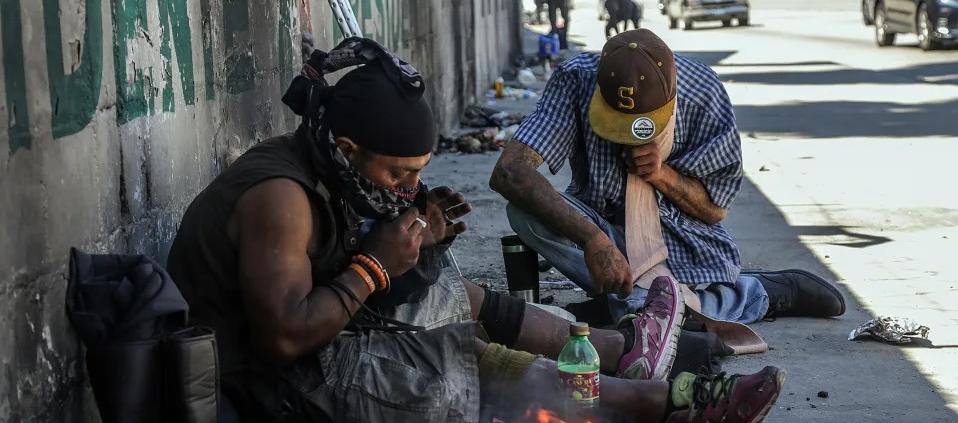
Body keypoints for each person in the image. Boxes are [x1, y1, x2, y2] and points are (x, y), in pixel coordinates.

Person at [167, 38, 784, 423]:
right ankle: (654, 402)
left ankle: (621, 350)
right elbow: (281, 340)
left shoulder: (327, 164)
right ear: (348, 148)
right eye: (398, 173)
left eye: (418, 174)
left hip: (312, 350)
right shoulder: (281, 198)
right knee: (449, 365)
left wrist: (419, 241)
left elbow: (350, 274)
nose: (407, 187)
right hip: (266, 385)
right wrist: (374, 265)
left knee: (453, 299)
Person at [490, 29, 845, 327]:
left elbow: (714, 210)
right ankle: (633, 305)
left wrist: (662, 175)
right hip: (602, 228)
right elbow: (510, 172)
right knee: (522, 210)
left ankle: (754, 294)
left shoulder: (702, 93)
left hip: (681, 241)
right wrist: (593, 240)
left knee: (647, 319)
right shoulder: (577, 79)